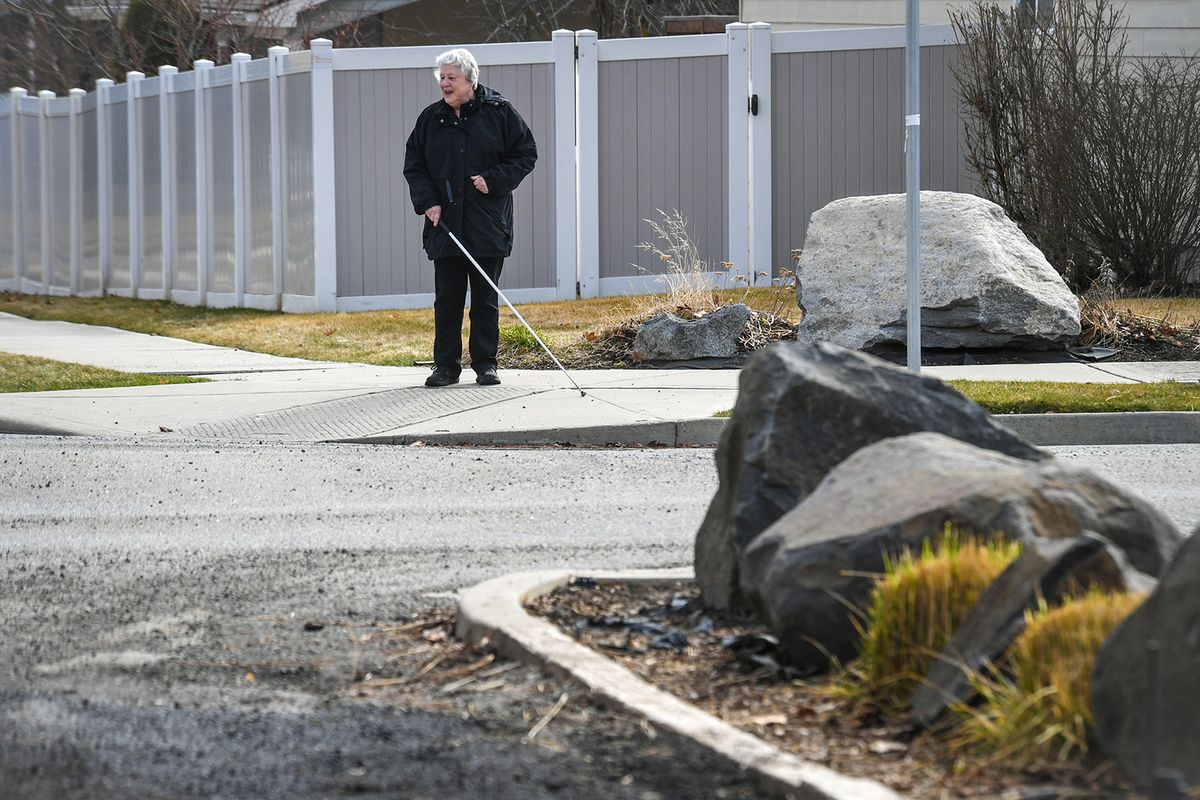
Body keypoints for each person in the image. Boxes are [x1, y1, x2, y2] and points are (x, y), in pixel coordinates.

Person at [403, 48, 537, 387]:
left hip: (486, 223)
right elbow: (414, 166)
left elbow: (525, 154)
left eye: (451, 78)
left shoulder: (500, 113)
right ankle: (445, 367)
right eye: (442, 78)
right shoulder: (431, 119)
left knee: (484, 299)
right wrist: (428, 202)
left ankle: (485, 364)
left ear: (470, 80)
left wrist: (493, 180)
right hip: (444, 224)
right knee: (447, 299)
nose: (444, 84)